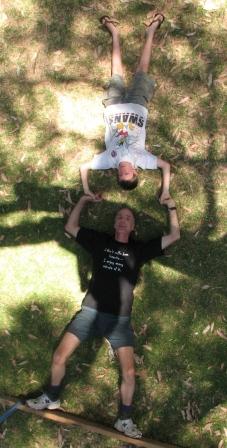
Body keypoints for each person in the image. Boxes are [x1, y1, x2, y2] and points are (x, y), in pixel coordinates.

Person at [26, 193, 180, 439]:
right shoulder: (100, 242)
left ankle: (124, 419)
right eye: (120, 217)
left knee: (129, 373)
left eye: (128, 218)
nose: (122, 220)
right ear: (114, 223)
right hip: (90, 313)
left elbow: (174, 236)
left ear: (132, 227)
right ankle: (51, 397)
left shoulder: (139, 250)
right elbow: (71, 227)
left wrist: (170, 206)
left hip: (119, 321)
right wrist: (83, 202)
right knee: (58, 358)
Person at [80, 13, 171, 202]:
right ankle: (151, 30)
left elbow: (84, 167)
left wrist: (87, 190)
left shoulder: (109, 160)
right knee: (142, 70)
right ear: (136, 172)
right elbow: (166, 166)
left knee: (116, 73)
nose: (123, 172)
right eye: (128, 175)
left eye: (120, 176)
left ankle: (114, 32)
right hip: (138, 105)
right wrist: (165, 191)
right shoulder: (142, 160)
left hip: (113, 107)